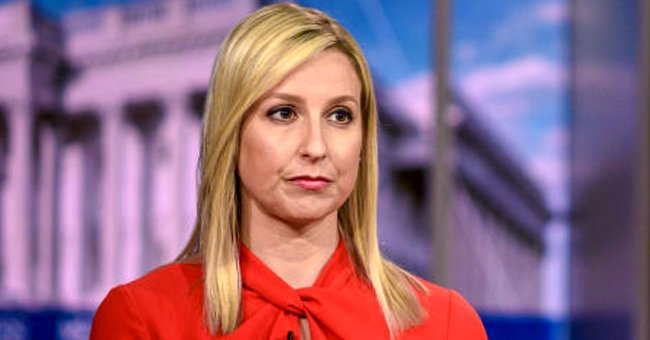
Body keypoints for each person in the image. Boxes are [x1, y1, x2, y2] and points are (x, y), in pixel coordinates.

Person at [90, 3, 487, 339]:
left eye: (339, 115)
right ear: (231, 132)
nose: (316, 147)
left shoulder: (445, 324)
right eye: (284, 113)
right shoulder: (142, 318)